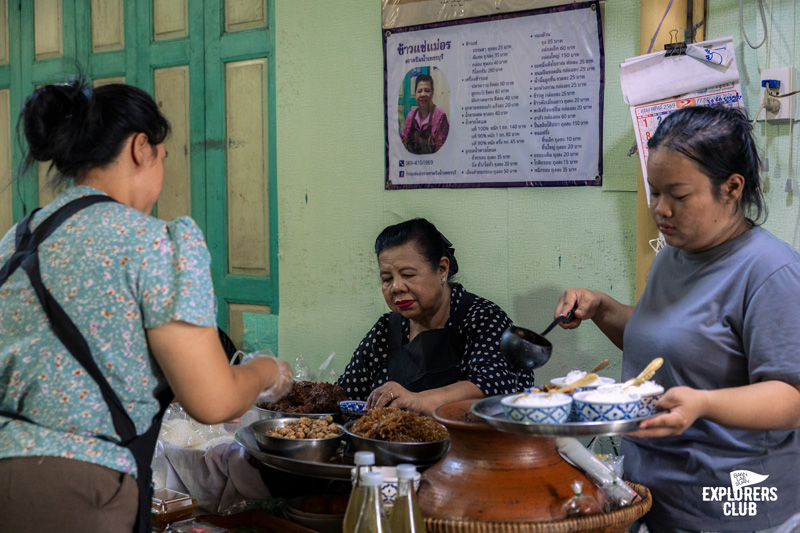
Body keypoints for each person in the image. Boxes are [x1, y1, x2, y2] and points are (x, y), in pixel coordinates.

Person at [0, 78, 294, 532]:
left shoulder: (19, 239)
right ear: (142, 148)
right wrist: (265, 371)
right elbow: (212, 401)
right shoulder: (154, 242)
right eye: (164, 155)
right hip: (80, 486)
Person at [553, 106, 800, 531]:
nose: (661, 209)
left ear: (732, 188)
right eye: (654, 192)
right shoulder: (674, 257)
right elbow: (663, 345)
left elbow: (791, 398)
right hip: (653, 498)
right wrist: (602, 308)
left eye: (678, 195)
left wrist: (704, 403)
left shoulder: (771, 272)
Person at [337, 218, 532, 416]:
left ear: (442, 269)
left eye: (408, 275)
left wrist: (417, 401)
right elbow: (344, 397)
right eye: (387, 279)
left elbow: (493, 388)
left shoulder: (483, 319)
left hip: (474, 444)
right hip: (396, 446)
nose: (396, 287)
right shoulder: (385, 331)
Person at [400, 74, 450, 154]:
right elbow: (403, 143)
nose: (423, 94)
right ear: (415, 94)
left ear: (432, 93)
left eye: (427, 90)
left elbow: (442, 152)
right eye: (419, 91)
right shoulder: (410, 116)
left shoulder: (440, 116)